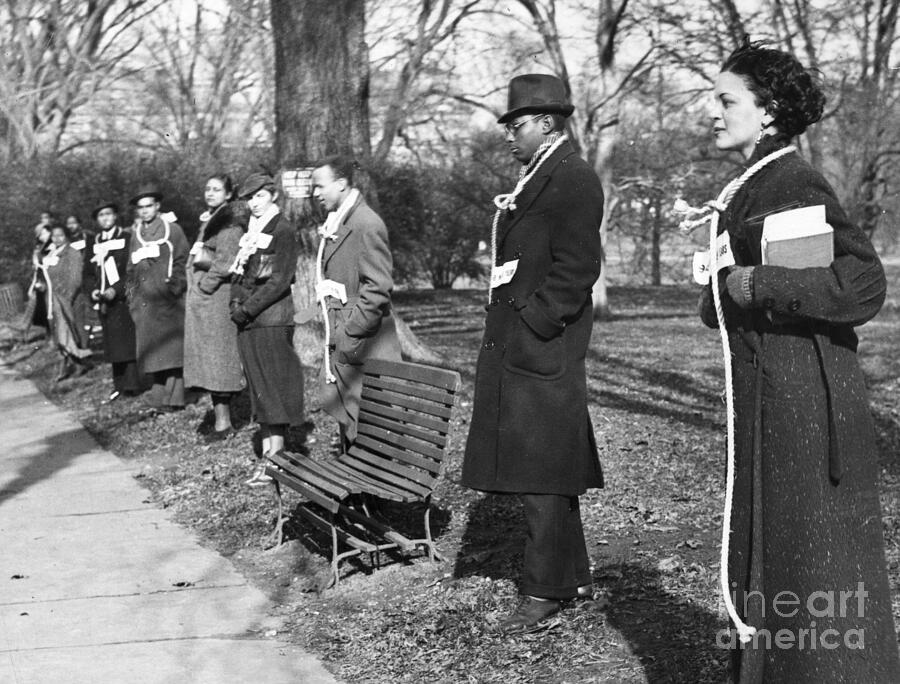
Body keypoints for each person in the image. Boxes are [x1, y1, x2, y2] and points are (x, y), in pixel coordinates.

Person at [699, 41, 900, 682]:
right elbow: (735, 298)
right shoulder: (751, 185)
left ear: (769, 112)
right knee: (778, 561)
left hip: (807, 410)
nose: (712, 112)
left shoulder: (794, 180)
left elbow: (863, 284)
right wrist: (718, 285)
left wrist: (758, 284)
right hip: (774, 402)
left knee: (816, 568)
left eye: (725, 100)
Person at [460, 74, 604, 633]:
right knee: (544, 469)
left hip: (545, 349)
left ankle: (544, 588)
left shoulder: (572, 177)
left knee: (541, 472)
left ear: (547, 123)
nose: (509, 134)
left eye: (516, 124)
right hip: (524, 348)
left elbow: (577, 269)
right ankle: (572, 576)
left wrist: (534, 323)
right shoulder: (540, 176)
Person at [309, 155, 401, 446]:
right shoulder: (339, 220)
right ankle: (358, 484)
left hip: (365, 340)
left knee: (370, 421)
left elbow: (378, 289)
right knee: (351, 421)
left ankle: (372, 488)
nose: (316, 193)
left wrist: (349, 333)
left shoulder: (365, 224)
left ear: (341, 183)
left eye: (320, 186)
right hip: (347, 335)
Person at [229, 172, 303, 486]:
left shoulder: (282, 229)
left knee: (272, 387)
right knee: (260, 388)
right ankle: (270, 455)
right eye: (249, 199)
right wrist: (236, 304)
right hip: (250, 320)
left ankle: (278, 457)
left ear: (272, 194)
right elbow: (246, 274)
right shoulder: (253, 230)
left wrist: (246, 309)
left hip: (270, 319)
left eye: (259, 196)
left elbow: (278, 280)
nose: (253, 204)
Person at [184, 173, 247, 440]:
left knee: (218, 362)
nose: (210, 193)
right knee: (209, 362)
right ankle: (221, 420)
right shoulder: (210, 219)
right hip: (203, 304)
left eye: (217, 190)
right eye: (207, 189)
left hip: (215, 300)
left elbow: (224, 263)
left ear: (229, 194)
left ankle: (225, 424)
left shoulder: (229, 222)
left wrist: (203, 287)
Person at [125, 184, 189, 411]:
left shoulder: (173, 230)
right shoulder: (136, 235)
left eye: (149, 206)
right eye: (140, 208)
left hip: (169, 301)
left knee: (172, 350)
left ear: (157, 206)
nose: (144, 211)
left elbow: (183, 261)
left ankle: (174, 398)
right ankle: (158, 396)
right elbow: (131, 270)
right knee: (153, 351)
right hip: (145, 304)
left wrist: (175, 287)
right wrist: (131, 299)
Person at [85, 201, 146, 401]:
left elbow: (133, 269)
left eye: (108, 214)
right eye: (100, 215)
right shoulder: (94, 242)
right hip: (103, 300)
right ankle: (119, 385)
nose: (105, 218)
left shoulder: (126, 238)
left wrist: (117, 290)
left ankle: (133, 384)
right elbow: (87, 273)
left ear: (115, 216)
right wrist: (93, 290)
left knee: (127, 341)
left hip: (123, 297)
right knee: (111, 342)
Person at [37, 224, 93, 380]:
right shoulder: (51, 254)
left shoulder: (72, 253)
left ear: (66, 236)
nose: (57, 238)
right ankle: (68, 362)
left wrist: (68, 296)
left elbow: (75, 277)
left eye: (60, 235)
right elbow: (46, 276)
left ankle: (82, 362)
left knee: (75, 328)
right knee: (60, 330)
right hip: (54, 300)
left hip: (71, 298)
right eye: (54, 236)